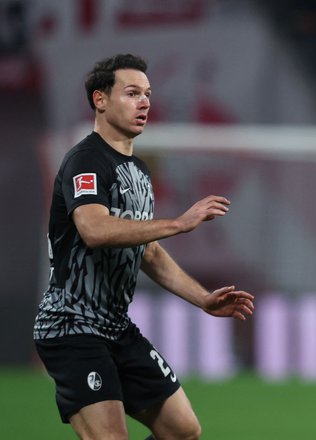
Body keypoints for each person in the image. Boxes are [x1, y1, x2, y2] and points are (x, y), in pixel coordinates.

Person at [33, 53, 255, 440]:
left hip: (116, 327)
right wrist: (178, 223)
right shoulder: (85, 160)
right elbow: (94, 229)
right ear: (100, 100)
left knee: (183, 430)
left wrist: (202, 299)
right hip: (72, 327)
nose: (145, 102)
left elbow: (147, 252)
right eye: (132, 93)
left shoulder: (139, 170)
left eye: (148, 94)